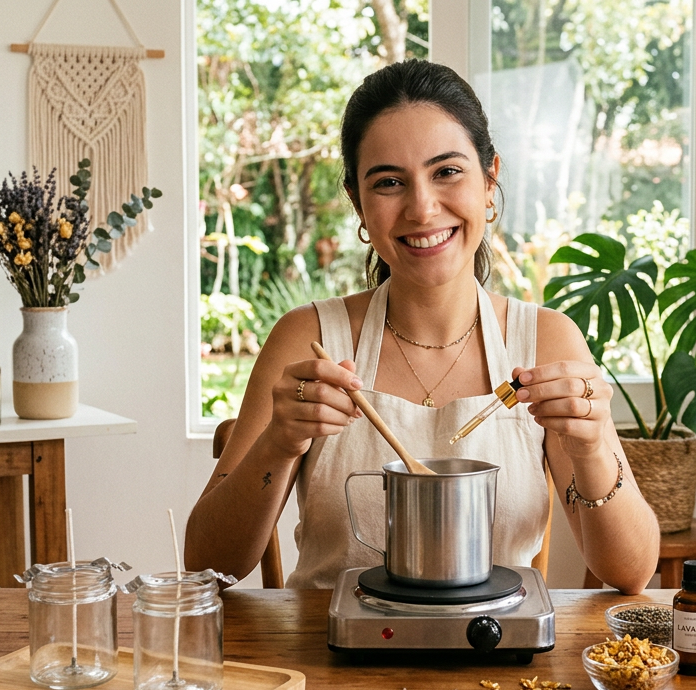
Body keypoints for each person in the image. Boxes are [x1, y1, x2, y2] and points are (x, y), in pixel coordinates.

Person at [185, 59, 659, 594]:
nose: (422, 207)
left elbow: (632, 571)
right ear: (358, 205)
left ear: (489, 180)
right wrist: (278, 443)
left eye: (447, 172)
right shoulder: (308, 338)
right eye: (389, 182)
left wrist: (593, 447)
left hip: (499, 668)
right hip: (326, 662)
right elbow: (205, 564)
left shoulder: (545, 341)